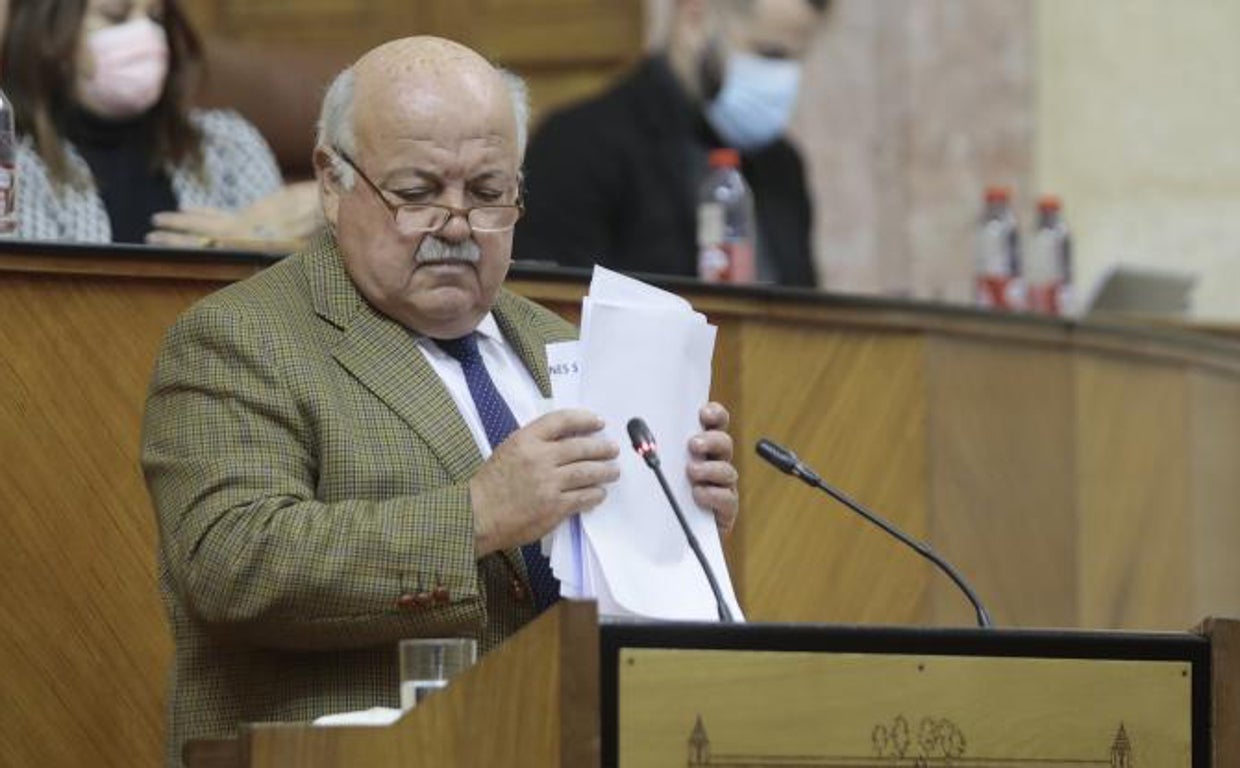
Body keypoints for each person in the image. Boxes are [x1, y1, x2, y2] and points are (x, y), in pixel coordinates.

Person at [141, 35, 740, 765]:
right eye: (419, 193)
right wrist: (479, 515)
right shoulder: (239, 340)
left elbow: (598, 586)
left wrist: (677, 521)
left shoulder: (563, 346)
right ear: (332, 181)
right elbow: (234, 566)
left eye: (488, 194)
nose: (457, 225)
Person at [514, 0, 829, 287]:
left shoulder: (782, 164)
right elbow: (553, 313)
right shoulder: (578, 144)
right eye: (769, 54)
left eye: (796, 59)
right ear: (695, 16)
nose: (782, 78)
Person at [1, 0, 282, 243]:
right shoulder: (15, 162)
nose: (145, 34)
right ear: (49, 29)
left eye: (155, 17)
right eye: (115, 16)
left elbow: (285, 278)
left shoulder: (229, 145)